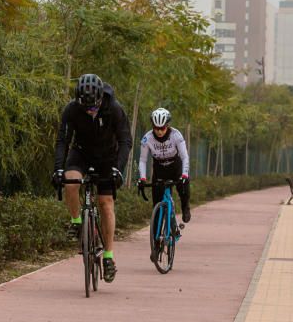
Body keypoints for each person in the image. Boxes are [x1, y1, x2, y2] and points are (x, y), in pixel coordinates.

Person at [52, 73, 132, 282]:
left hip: (107, 156)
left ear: (100, 98)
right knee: (70, 181)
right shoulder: (71, 110)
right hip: (82, 153)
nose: (90, 111)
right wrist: (58, 169)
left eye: (93, 107)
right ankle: (77, 221)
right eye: (85, 107)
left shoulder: (114, 109)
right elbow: (63, 140)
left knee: (106, 203)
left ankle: (108, 256)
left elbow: (125, 141)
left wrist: (118, 169)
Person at [137, 106, 191, 225]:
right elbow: (142, 160)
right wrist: (142, 178)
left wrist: (185, 174)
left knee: (184, 188)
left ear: (167, 126)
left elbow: (185, 157)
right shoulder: (147, 139)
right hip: (159, 169)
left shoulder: (176, 135)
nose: (159, 131)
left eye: (162, 128)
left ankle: (185, 206)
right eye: (156, 128)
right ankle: (156, 238)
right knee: (156, 204)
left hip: (175, 167)